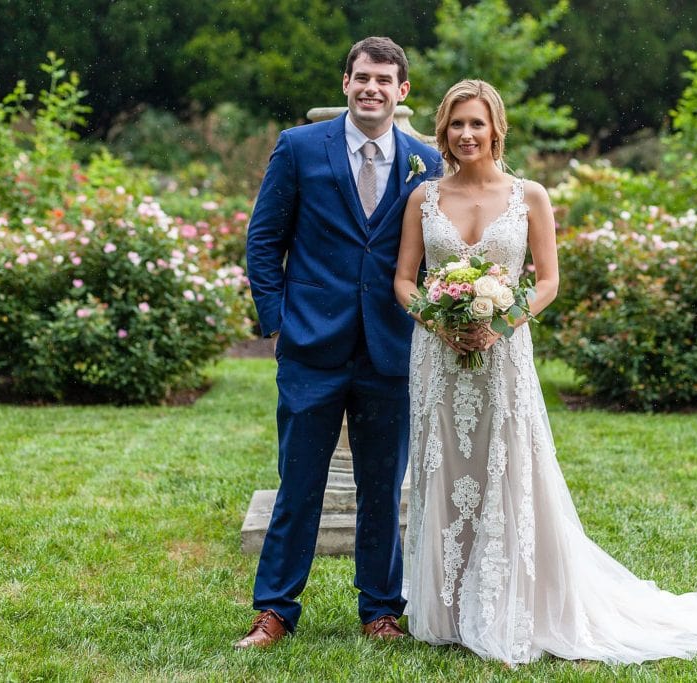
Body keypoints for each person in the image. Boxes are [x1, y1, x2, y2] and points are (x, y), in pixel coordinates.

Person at [393, 80, 697, 665]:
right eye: (454, 125)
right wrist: (435, 320)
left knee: (508, 466)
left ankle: (509, 602)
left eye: (476, 124)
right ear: (442, 132)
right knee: (445, 467)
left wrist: (503, 322)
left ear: (497, 129)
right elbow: (404, 279)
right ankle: (446, 607)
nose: (465, 135)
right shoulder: (423, 198)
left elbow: (547, 281)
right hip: (438, 358)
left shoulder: (530, 196)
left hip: (503, 353)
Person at [237, 37, 442, 649]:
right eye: (362, 78)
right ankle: (274, 610)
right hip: (311, 348)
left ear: (402, 91)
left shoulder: (425, 162)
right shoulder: (300, 148)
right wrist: (278, 319)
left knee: (384, 489)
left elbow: (439, 250)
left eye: (384, 80)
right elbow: (264, 238)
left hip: (391, 350)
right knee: (298, 485)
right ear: (345, 84)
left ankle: (380, 610)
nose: (371, 88)